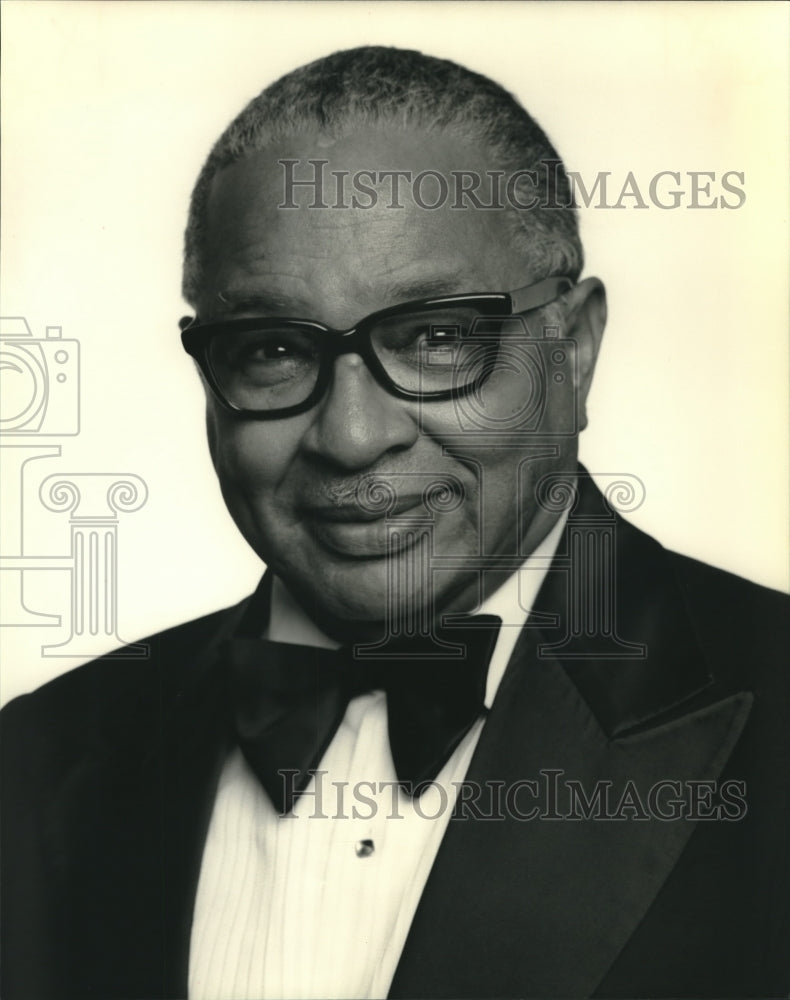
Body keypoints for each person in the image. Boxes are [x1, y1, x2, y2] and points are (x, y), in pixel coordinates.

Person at [1, 45, 788, 1000]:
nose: (352, 435)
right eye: (274, 350)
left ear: (572, 351)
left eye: (435, 337)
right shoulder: (37, 765)